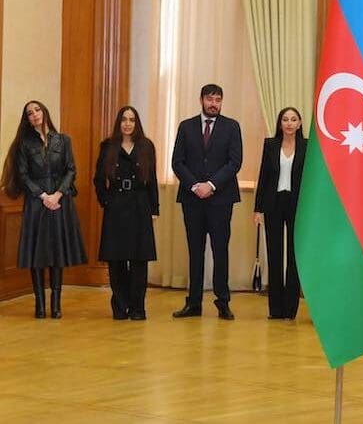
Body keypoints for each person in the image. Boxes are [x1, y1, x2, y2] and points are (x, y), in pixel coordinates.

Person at [0, 100, 87, 319]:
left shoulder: (63, 140)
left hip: (60, 201)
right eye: (29, 113)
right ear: (27, 119)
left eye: (37, 110)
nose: (34, 115)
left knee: (56, 253)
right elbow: (23, 175)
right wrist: (43, 196)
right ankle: (39, 305)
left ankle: (56, 305)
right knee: (37, 255)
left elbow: (71, 170)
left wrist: (57, 194)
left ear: (44, 112)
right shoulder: (24, 144)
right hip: (36, 202)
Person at [171, 84, 242, 320]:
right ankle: (193, 302)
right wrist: (195, 186)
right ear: (201, 99)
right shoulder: (186, 126)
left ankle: (223, 302)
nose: (214, 103)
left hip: (220, 199)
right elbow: (177, 162)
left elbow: (234, 162)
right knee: (195, 250)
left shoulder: (232, 127)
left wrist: (211, 185)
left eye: (218, 99)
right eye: (210, 99)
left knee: (220, 250)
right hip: (192, 199)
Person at [93, 106, 159, 320]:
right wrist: (105, 200)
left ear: (136, 123)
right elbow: (98, 179)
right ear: (118, 123)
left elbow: (153, 180)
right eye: (124, 119)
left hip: (140, 206)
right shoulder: (108, 146)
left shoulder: (146, 146)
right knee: (117, 260)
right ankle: (120, 307)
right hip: (116, 207)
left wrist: (154, 208)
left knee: (139, 261)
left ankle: (138, 308)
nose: (127, 123)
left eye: (132, 119)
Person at [254, 107, 307, 320]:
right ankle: (275, 309)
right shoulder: (270, 144)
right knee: (275, 256)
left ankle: (290, 309)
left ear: (300, 123)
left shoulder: (307, 146)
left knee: (294, 257)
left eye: (294, 119)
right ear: (280, 123)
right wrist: (257, 209)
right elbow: (263, 177)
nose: (289, 123)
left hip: (297, 205)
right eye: (285, 119)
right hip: (273, 203)